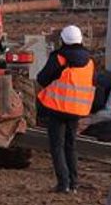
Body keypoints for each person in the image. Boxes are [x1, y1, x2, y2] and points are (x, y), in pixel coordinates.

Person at [35, 24, 95, 194]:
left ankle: (63, 184)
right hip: (77, 110)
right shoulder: (89, 61)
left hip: (57, 109)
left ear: (63, 40)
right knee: (71, 145)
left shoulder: (59, 58)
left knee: (57, 146)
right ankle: (74, 183)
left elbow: (42, 78)